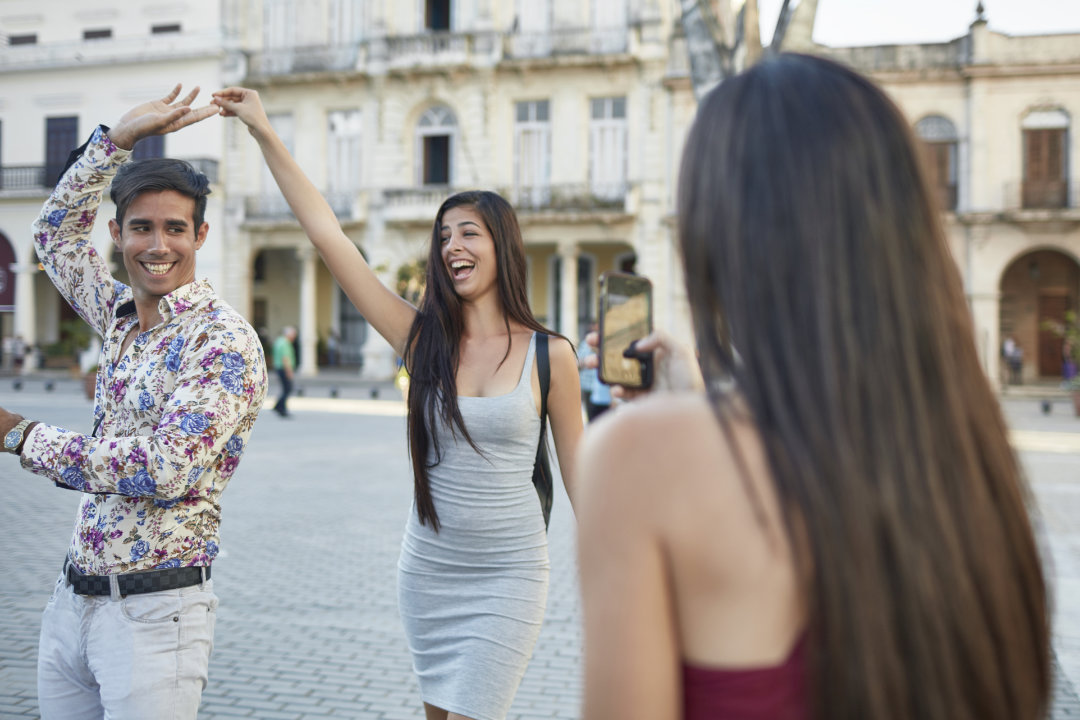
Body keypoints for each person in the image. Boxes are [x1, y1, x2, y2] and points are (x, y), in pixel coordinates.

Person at [575, 54, 1049, 720]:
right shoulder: (969, 460)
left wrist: (680, 426)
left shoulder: (637, 457)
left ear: (718, 239)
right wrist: (695, 403)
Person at [212, 86, 584, 720]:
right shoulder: (421, 339)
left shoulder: (551, 355)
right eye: (444, 237)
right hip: (430, 571)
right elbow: (329, 237)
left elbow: (582, 479)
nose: (452, 246)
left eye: (469, 233)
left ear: (503, 246)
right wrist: (263, 131)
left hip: (511, 575)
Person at [0, 85, 267, 719]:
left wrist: (20, 434)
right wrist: (115, 143)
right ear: (117, 233)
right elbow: (54, 237)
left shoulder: (222, 341)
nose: (158, 246)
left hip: (156, 615)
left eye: (175, 229)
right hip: (73, 600)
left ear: (200, 235)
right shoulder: (119, 314)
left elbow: (165, 466)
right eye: (142, 228)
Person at [272, 325, 298, 417]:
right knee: (288, 389)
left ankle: (278, 406)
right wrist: (289, 371)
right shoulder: (285, 343)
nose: (294, 337)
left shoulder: (279, 341)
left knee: (285, 389)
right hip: (283, 368)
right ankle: (281, 408)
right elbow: (285, 358)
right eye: (294, 335)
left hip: (279, 368)